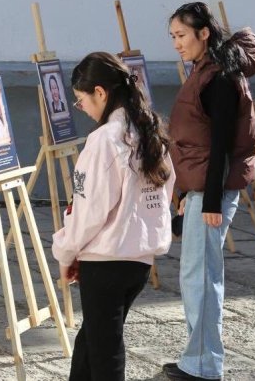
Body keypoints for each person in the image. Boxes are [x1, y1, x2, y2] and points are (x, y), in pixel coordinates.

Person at [52, 52, 175, 381]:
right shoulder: (147, 131)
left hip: (106, 259)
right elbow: (164, 191)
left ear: (100, 92)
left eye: (81, 100)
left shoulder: (106, 138)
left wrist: (66, 251)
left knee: (105, 350)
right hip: (137, 260)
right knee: (92, 340)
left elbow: (89, 210)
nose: (82, 108)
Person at [164, 2, 255, 381]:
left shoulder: (219, 77)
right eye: (173, 36)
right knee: (195, 275)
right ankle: (197, 357)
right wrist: (188, 194)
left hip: (212, 190)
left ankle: (203, 365)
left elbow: (221, 142)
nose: (177, 44)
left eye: (182, 35)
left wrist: (211, 201)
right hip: (203, 187)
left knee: (201, 277)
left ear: (204, 33)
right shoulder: (206, 70)